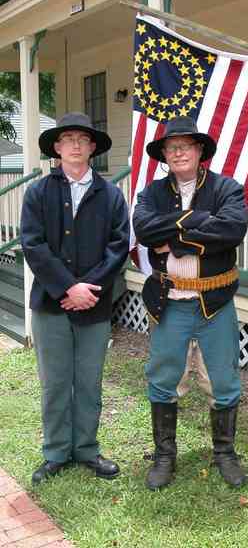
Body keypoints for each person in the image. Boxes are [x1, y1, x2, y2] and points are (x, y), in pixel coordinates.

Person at [132, 116, 248, 490]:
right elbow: (145, 230)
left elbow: (231, 229)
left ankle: (225, 453)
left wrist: (177, 237)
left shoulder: (226, 188)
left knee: (224, 380)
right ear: (164, 154)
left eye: (187, 145)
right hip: (169, 302)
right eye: (171, 146)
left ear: (200, 151)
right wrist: (199, 223)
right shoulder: (151, 193)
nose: (179, 151)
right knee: (164, 379)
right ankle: (165, 456)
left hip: (214, 301)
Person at [21, 112, 129, 485]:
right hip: (51, 306)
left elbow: (118, 248)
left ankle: (85, 449)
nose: (76, 145)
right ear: (57, 147)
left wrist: (87, 291)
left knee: (88, 381)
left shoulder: (111, 195)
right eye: (68, 139)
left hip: (94, 307)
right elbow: (32, 245)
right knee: (54, 383)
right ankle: (55, 452)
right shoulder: (38, 192)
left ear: (93, 147)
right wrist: (68, 287)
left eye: (83, 139)